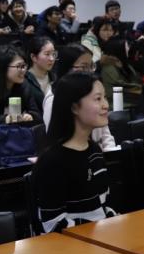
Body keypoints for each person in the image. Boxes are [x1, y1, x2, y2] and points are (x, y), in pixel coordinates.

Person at [34, 72, 118, 233]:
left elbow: (104, 206)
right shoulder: (53, 161)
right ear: (74, 107)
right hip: (73, 244)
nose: (106, 105)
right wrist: (99, 232)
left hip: (101, 238)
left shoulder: (94, 151)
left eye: (105, 98)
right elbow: (52, 224)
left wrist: (113, 222)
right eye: (98, 99)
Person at [43, 45, 117, 150]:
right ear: (66, 68)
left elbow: (106, 136)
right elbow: (57, 137)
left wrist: (110, 155)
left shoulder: (93, 90)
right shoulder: (53, 100)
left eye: (91, 66)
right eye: (84, 67)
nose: (90, 72)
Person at [98, 39, 142, 112]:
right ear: (118, 49)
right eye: (126, 46)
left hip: (129, 98)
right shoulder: (109, 67)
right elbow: (119, 84)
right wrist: (140, 88)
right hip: (116, 102)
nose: (128, 48)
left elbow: (135, 79)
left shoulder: (124, 64)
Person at [24, 37, 56, 109]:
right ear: (33, 57)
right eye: (47, 54)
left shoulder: (55, 77)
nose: (52, 58)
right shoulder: (24, 79)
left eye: (53, 54)